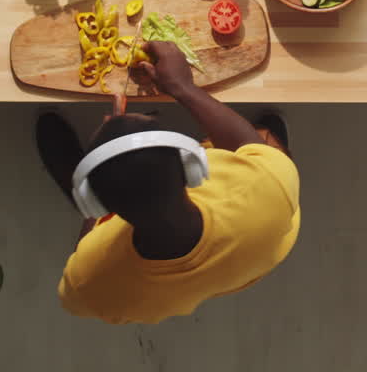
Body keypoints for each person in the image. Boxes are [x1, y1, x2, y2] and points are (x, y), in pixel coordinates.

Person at [35, 40, 300, 325]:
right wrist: (183, 87)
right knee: (263, 138)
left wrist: (98, 189)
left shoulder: (91, 279)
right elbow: (245, 142)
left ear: (99, 205)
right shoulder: (267, 188)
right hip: (251, 255)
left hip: (159, 289)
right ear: (192, 166)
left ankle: (79, 178)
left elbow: (73, 297)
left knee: (99, 181)